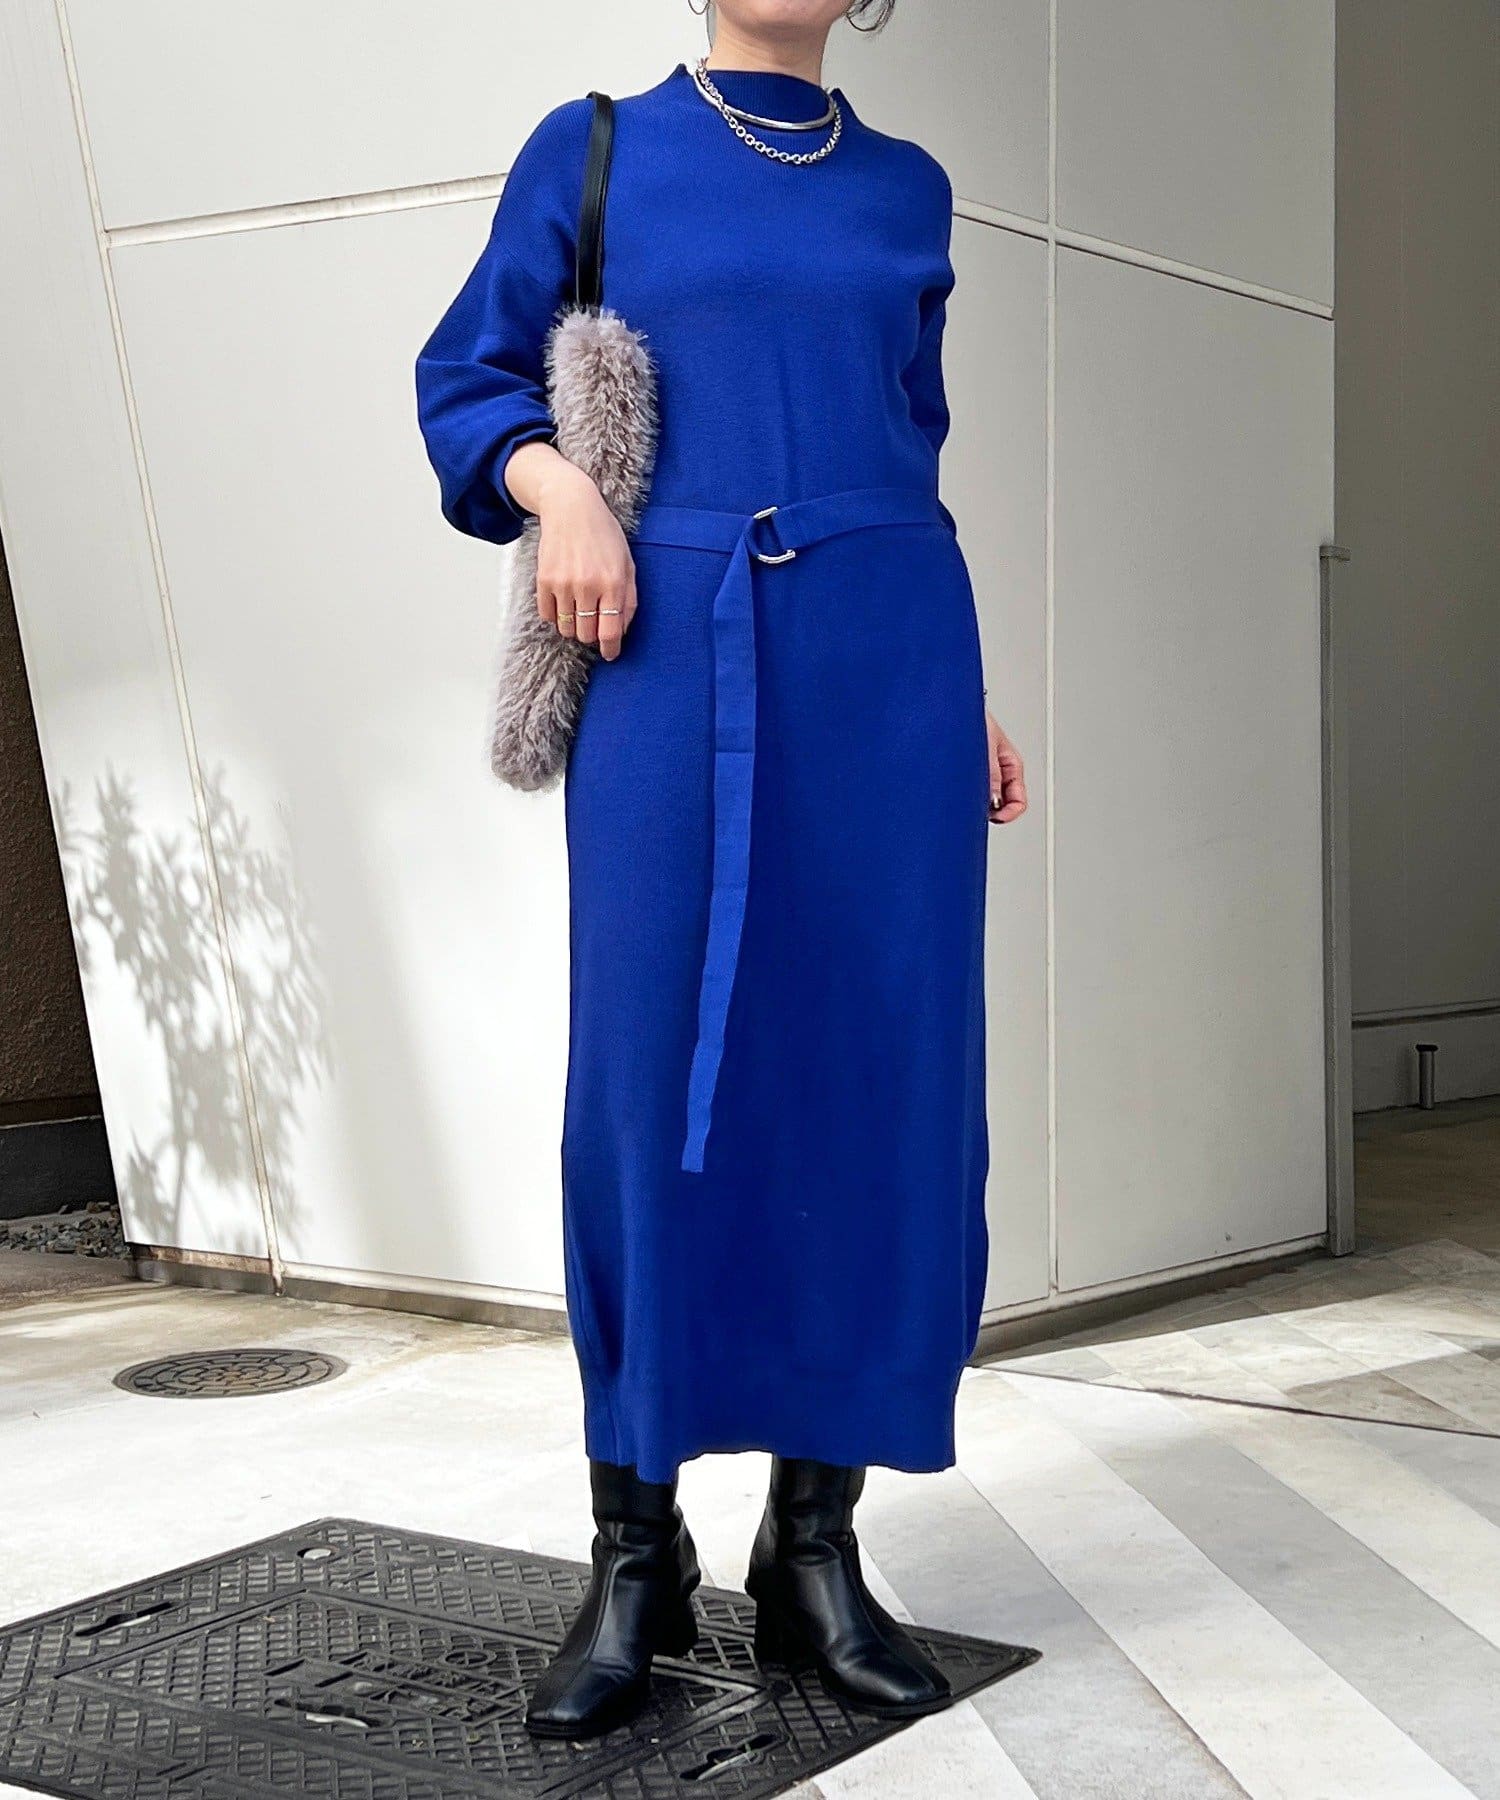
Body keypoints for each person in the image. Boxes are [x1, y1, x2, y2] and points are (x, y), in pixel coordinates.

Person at [415, 0, 1029, 1740]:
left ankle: (814, 1550)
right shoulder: (596, 145)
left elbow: (911, 454)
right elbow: (467, 377)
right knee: (641, 1089)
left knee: (873, 1088)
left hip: (890, 663)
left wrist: (965, 697)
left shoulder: (909, 188)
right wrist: (561, 491)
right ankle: (635, 1548)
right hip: (672, 653)